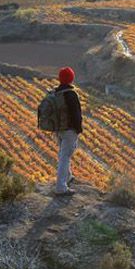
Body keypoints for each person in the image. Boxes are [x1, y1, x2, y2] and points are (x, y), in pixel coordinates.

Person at [53, 66, 82, 197]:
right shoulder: (71, 94)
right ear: (71, 78)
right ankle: (61, 187)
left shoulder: (56, 93)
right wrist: (78, 130)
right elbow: (76, 114)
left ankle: (68, 177)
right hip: (70, 130)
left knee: (63, 154)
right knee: (65, 157)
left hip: (59, 129)